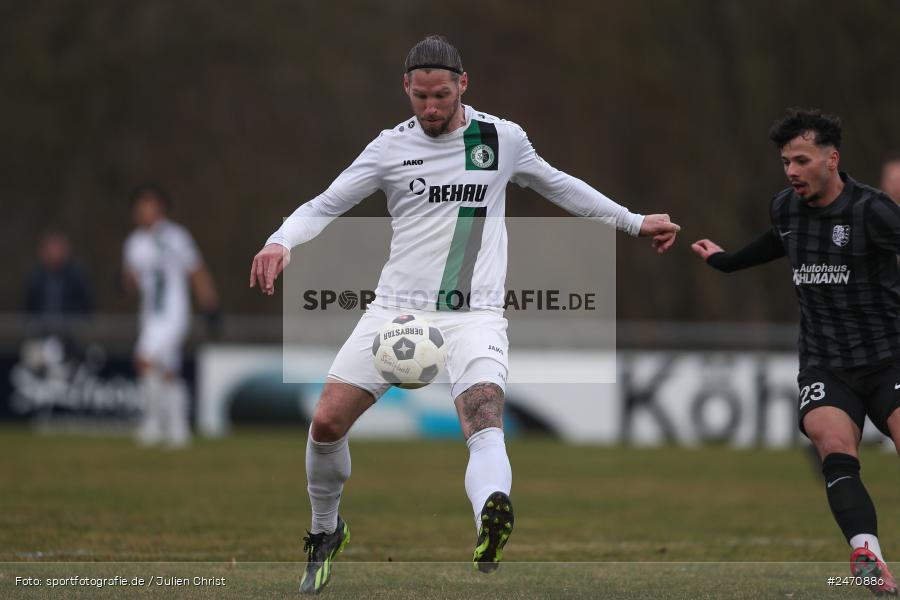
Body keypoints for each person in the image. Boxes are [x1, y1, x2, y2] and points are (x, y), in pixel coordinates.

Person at [250, 35, 680, 595]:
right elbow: (326, 203)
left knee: (484, 422)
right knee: (327, 422)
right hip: (396, 313)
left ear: (463, 86)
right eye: (421, 97)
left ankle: (490, 519)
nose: (431, 108)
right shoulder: (388, 148)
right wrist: (281, 241)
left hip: (475, 315)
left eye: (442, 96)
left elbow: (560, 186)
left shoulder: (502, 140)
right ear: (406, 88)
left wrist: (632, 220)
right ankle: (325, 531)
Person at [692, 108, 898, 596]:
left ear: (832, 159)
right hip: (826, 362)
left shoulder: (873, 210)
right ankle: (867, 554)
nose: (790, 171)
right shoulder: (784, 206)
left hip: (890, 355)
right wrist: (724, 262)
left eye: (801, 160)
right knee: (833, 444)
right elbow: (776, 243)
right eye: (785, 161)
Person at [122, 183, 219, 449]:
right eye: (140, 206)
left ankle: (154, 425)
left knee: (143, 359)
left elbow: (196, 270)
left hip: (174, 313)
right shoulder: (134, 243)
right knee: (167, 370)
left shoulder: (176, 237)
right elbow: (131, 283)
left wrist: (209, 303)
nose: (143, 211)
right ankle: (178, 429)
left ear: (160, 208)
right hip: (150, 316)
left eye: (148, 205)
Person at [23, 231, 94, 337]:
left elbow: (88, 306)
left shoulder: (77, 277)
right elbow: (27, 307)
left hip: (71, 335)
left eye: (57, 250)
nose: (54, 254)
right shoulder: (35, 278)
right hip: (40, 334)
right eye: (50, 250)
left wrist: (77, 326)